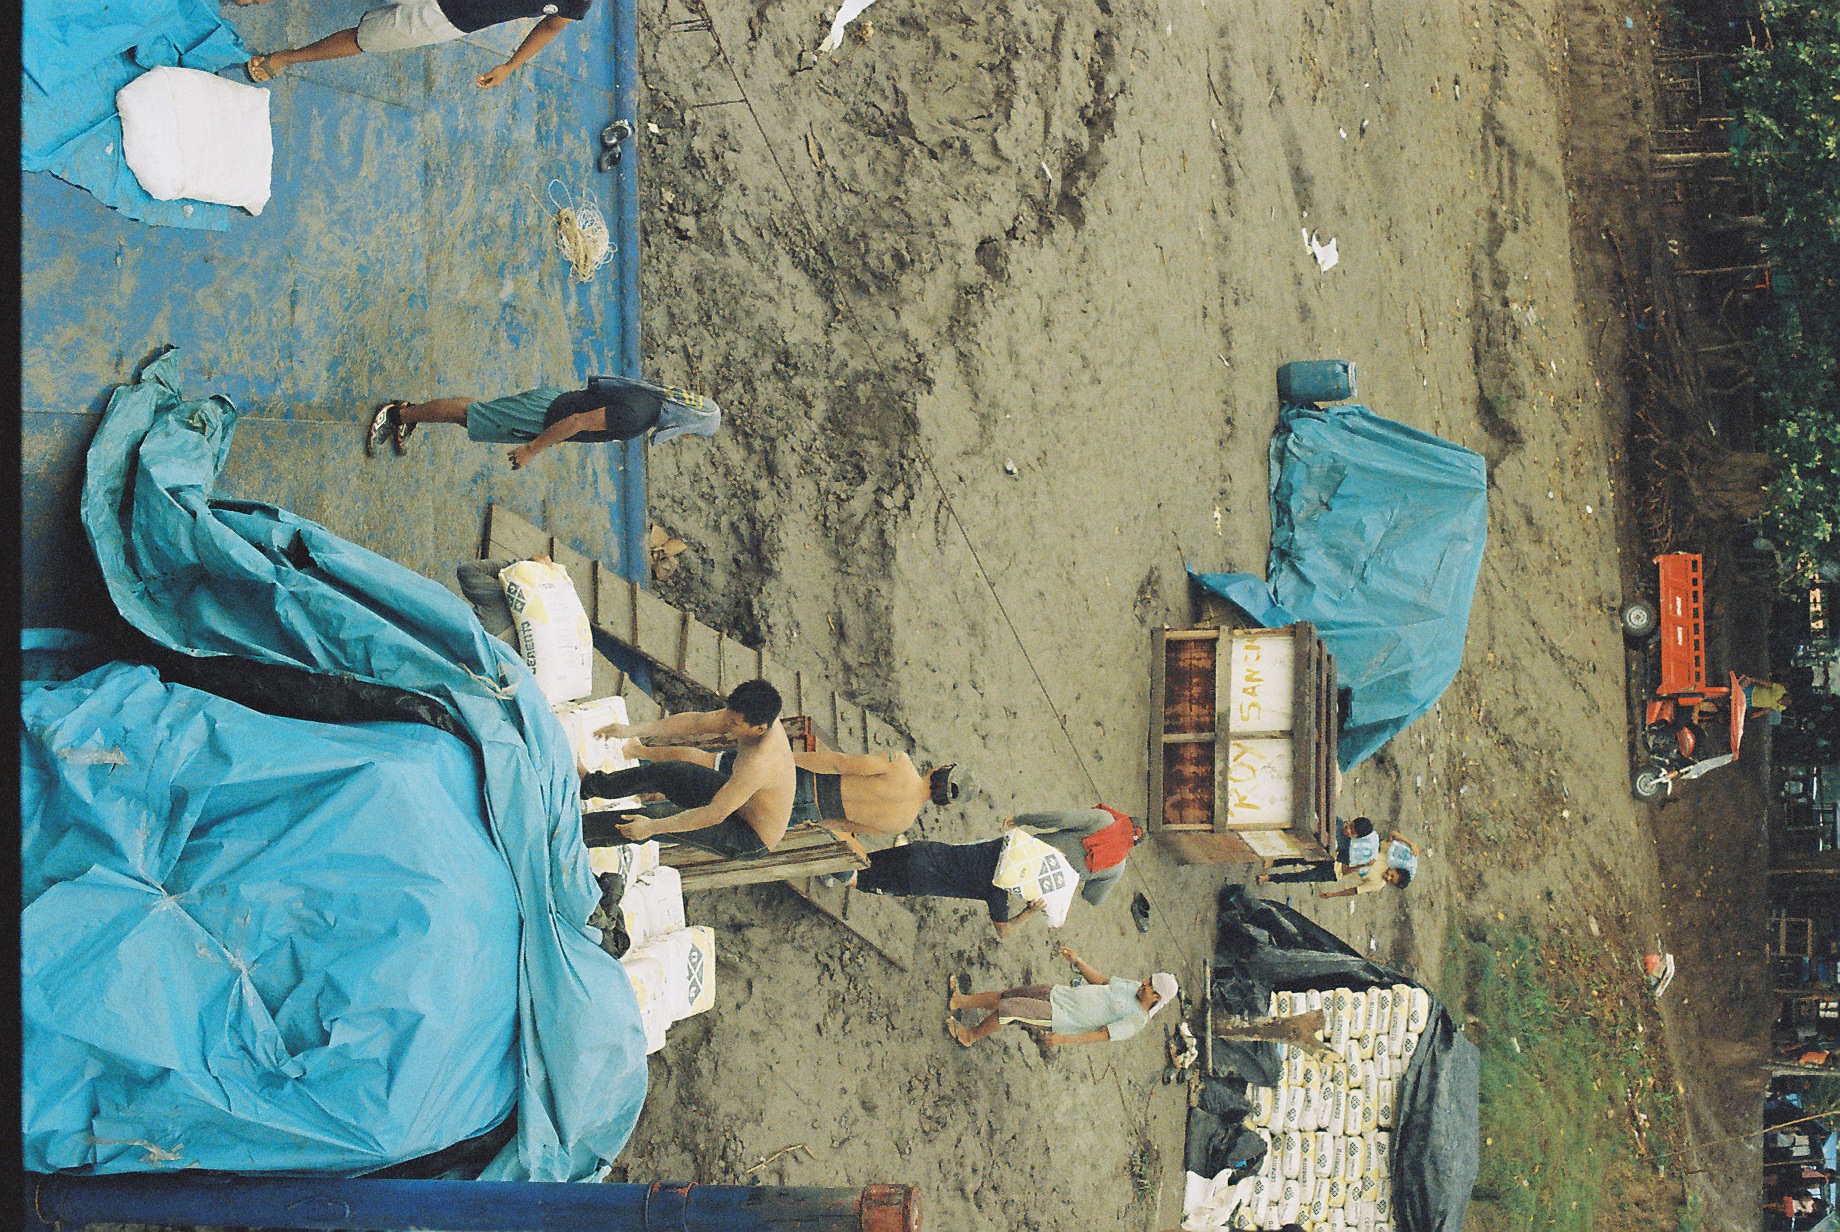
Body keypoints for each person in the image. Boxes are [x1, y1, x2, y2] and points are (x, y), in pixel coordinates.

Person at [577, 680, 792, 858]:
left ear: (759, 729)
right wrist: (631, 730)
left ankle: (576, 833)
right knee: (670, 772)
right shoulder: (750, 716)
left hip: (748, 834)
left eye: (734, 723)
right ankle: (590, 785)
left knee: (653, 817)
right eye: (728, 716)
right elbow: (697, 723)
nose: (726, 724)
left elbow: (715, 814)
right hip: (738, 801)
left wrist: (652, 827)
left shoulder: (759, 762)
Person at [364, 375, 721, 466]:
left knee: (475, 414)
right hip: (544, 417)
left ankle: (412, 415)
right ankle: (398, 414)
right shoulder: (638, 415)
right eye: (694, 435)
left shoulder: (651, 400)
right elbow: (578, 422)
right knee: (468, 415)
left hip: (552, 405)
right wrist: (533, 450)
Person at [244, 0, 591, 84]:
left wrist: (510, 66)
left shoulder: (578, 2)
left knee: (366, 39)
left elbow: (550, 27)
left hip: (450, 19)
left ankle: (287, 58)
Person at [946, 945, 1177, 1048]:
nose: (1144, 982)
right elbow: (1104, 981)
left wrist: (1063, 1039)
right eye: (1148, 979)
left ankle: (970, 1036)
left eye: (1149, 985)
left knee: (1010, 1010)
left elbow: (1100, 1035)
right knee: (1008, 995)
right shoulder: (1134, 987)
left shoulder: (1136, 1020)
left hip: (1061, 1017)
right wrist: (1078, 961)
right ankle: (960, 1001)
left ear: (1156, 997)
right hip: (1060, 993)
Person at [847, 833, 1046, 938]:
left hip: (920, 851)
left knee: (864, 860)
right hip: (916, 880)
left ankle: (835, 864)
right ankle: (831, 871)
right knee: (860, 880)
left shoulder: (1000, 845)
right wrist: (1029, 912)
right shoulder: (996, 892)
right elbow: (1004, 932)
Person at [786, 748, 959, 836]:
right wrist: (807, 822)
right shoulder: (902, 824)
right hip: (809, 813)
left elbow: (841, 763)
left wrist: (787, 758)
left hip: (805, 781)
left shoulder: (901, 763)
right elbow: (842, 825)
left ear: (941, 768)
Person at [1001, 805, 1145, 906]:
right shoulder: (1118, 868)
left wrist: (1021, 819)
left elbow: (1061, 818)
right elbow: (1093, 898)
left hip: (1030, 851)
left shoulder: (1103, 819)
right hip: (1039, 887)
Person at [1254, 817, 1378, 886]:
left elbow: (1345, 870)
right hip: (1321, 852)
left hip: (1332, 870)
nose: (1348, 830)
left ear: (1356, 837)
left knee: (1301, 877)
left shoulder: (1349, 850)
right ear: (1353, 820)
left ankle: (1270, 878)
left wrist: (1363, 865)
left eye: (1352, 832)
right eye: (1351, 826)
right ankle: (1274, 863)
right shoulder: (1338, 822)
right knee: (1299, 857)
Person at [1318, 831, 1419, 898]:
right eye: (1392, 875)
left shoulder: (1378, 884)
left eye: (1391, 881)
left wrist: (1332, 894)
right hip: (1336, 855)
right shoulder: (1385, 856)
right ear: (1395, 868)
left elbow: (1355, 890)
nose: (1388, 877)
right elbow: (1394, 834)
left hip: (1334, 873)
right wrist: (1411, 844)